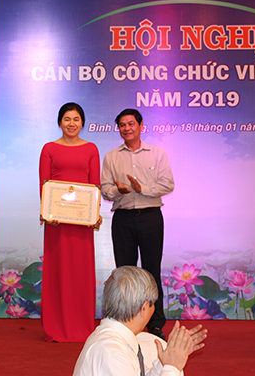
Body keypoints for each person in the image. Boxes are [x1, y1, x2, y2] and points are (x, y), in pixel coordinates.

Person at [101, 108, 174, 337]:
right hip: (123, 219)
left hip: (151, 217)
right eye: (122, 125)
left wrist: (143, 189)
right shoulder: (111, 157)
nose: (127, 128)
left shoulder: (157, 153)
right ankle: (124, 323)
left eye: (131, 124)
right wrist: (118, 191)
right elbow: (105, 189)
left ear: (141, 126)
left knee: (152, 271)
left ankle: (155, 324)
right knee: (124, 273)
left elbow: (168, 184)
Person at [39, 102, 102, 342]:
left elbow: (95, 185)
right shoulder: (49, 149)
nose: (71, 123)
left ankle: (82, 326)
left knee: (80, 273)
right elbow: (44, 184)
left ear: (82, 123)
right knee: (58, 272)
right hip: (57, 222)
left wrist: (95, 214)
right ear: (59, 122)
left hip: (82, 223)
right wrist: (47, 212)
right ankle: (55, 327)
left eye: (76, 119)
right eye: (67, 119)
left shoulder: (91, 149)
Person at [73, 266, 206, 376]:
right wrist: (172, 367)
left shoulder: (114, 339)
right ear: (144, 308)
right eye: (153, 304)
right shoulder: (113, 354)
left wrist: (165, 362)